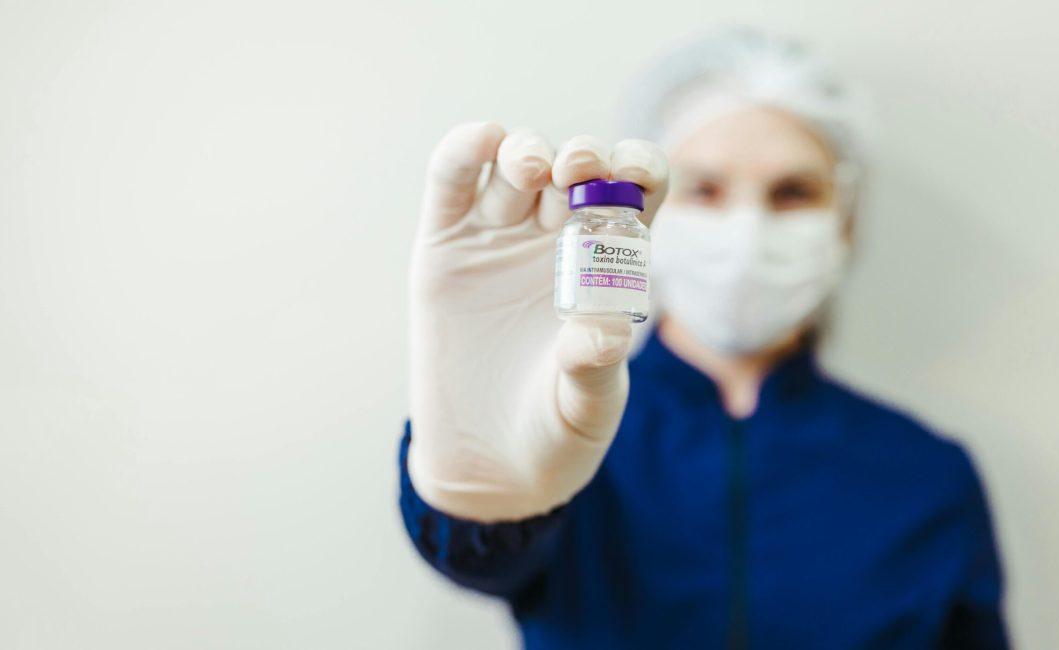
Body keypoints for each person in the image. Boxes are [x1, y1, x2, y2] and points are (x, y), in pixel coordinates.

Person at [399, 27, 1009, 650]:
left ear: (845, 218)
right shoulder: (562, 431)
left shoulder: (926, 475)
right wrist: (478, 498)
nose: (746, 230)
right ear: (647, 217)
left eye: (793, 191)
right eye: (705, 189)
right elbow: (480, 561)